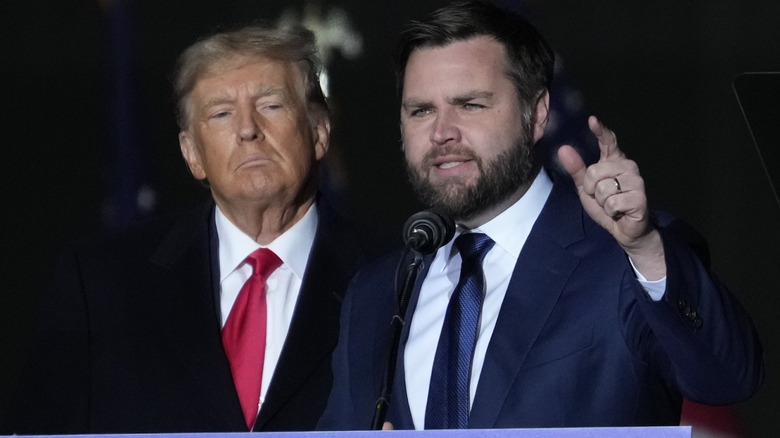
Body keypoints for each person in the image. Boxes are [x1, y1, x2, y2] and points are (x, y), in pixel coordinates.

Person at [319, 0, 763, 430]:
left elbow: (728, 376)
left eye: (470, 104)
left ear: (538, 115)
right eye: (421, 110)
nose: (441, 133)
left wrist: (645, 249)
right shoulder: (376, 294)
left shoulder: (627, 258)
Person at [13, 22, 372, 433]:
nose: (248, 129)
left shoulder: (396, 277)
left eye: (271, 105)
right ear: (192, 154)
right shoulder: (100, 282)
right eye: (221, 113)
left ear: (319, 132)